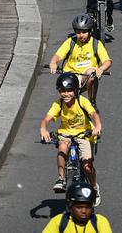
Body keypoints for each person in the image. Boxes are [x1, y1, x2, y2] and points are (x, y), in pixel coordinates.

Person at [40, 73, 103, 201]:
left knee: (87, 165)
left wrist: (97, 127)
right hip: (66, 133)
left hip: (84, 134)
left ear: (75, 91)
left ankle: (94, 188)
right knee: (62, 147)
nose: (66, 94)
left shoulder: (82, 101)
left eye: (69, 91)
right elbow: (47, 119)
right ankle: (61, 179)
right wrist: (43, 129)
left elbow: (93, 114)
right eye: (63, 91)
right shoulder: (58, 104)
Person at [49, 14, 112, 105]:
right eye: (78, 32)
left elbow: (107, 61)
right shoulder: (71, 42)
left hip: (86, 76)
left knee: (91, 73)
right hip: (70, 75)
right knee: (65, 98)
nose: (81, 35)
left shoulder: (96, 44)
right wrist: (53, 62)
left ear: (90, 31)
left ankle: (92, 101)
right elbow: (58, 55)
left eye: (84, 32)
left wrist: (100, 69)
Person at [41, 182, 114, 233]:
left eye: (88, 207)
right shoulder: (59, 221)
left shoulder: (99, 221)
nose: (84, 211)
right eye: (79, 207)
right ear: (70, 206)